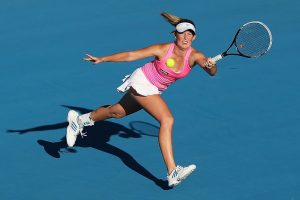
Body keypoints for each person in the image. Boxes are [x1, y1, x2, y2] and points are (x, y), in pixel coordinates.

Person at [66, 12, 217, 187]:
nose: (186, 37)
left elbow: (211, 72)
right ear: (174, 35)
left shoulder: (196, 56)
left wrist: (211, 66)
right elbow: (131, 55)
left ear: (194, 37)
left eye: (189, 33)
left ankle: (80, 120)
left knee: (116, 112)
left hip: (154, 89)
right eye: (182, 33)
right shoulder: (162, 49)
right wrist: (104, 59)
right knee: (167, 119)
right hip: (142, 81)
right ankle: (173, 171)